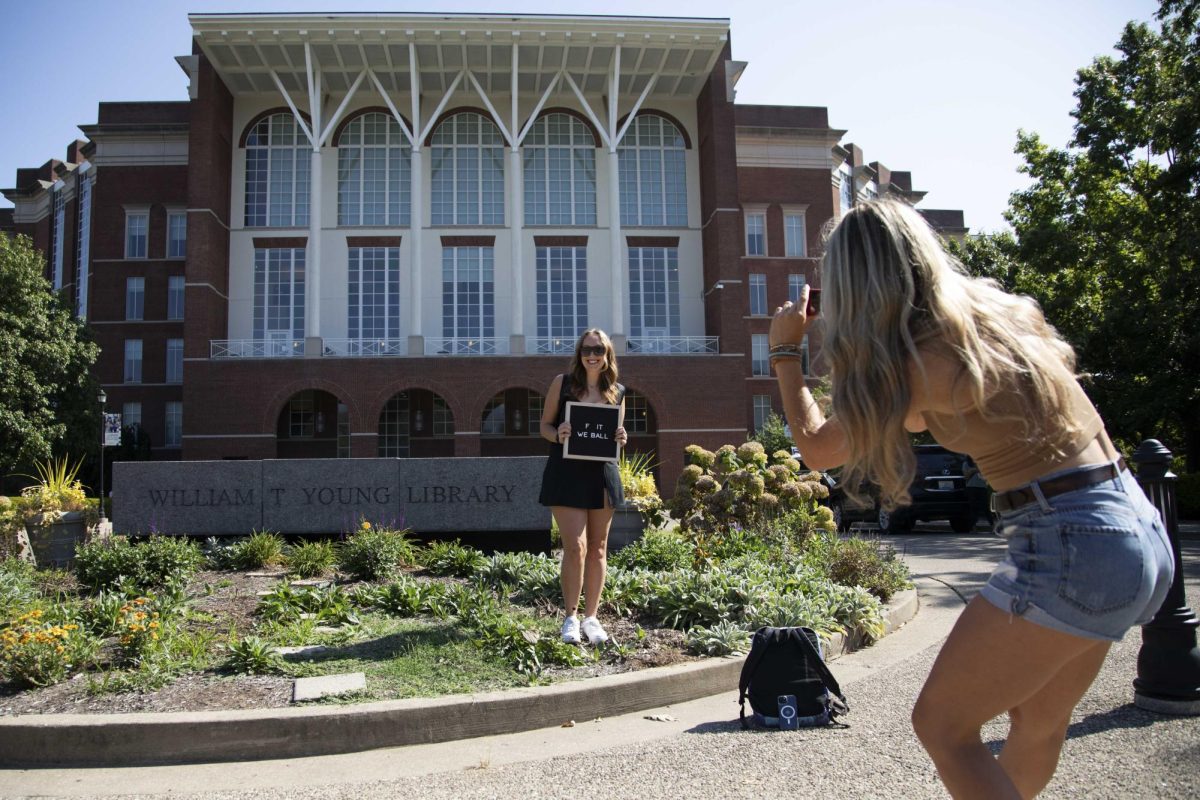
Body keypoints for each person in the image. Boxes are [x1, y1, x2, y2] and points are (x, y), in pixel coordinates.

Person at [769, 198, 1174, 799]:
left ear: (853, 287)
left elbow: (818, 450)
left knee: (942, 725)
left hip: (1071, 544)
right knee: (1036, 721)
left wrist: (784, 353)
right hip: (1136, 525)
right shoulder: (994, 313)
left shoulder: (908, 359)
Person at [538, 328, 628, 645]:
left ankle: (592, 618)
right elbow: (544, 427)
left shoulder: (617, 391)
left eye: (599, 350)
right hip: (566, 472)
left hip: (601, 474)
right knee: (575, 547)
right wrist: (558, 432)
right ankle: (571, 618)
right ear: (579, 353)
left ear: (607, 355)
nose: (592, 355)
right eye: (587, 349)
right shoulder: (562, 384)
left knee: (599, 548)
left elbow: (616, 433)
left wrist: (622, 437)